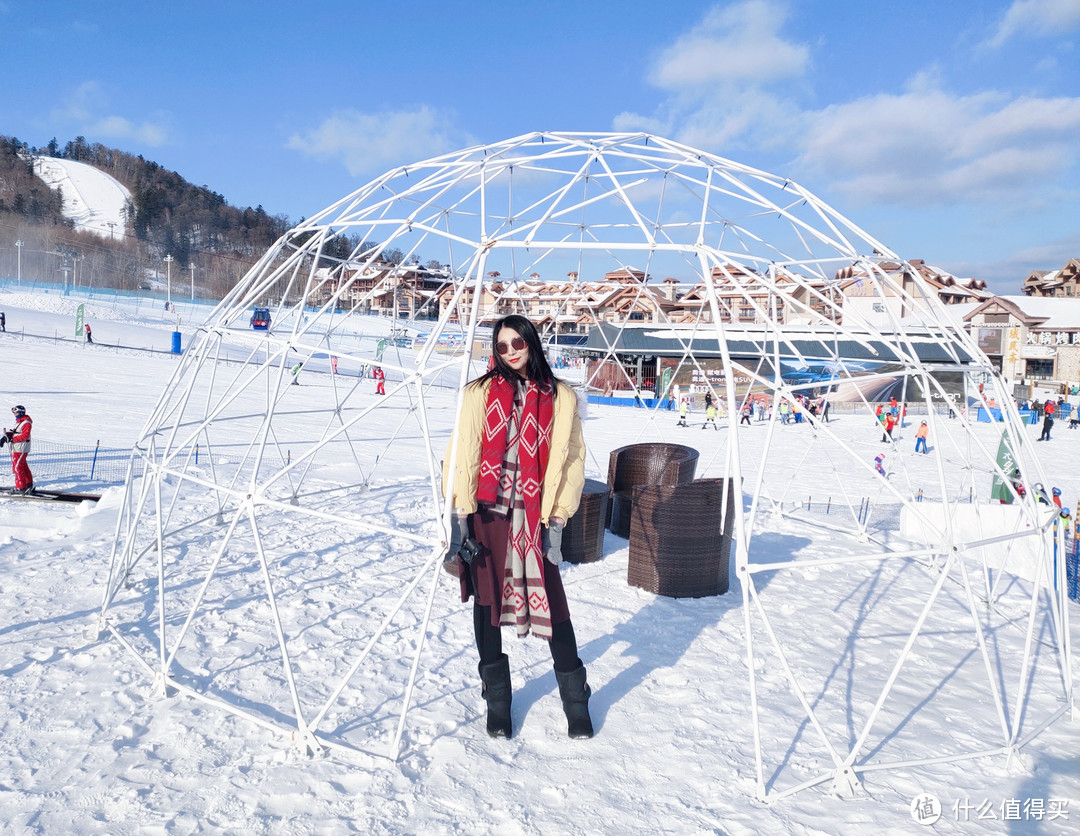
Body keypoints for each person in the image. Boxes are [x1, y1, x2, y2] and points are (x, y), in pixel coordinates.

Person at [442, 314, 592, 740]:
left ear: (531, 343)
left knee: (554, 605)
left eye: (516, 344)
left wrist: (560, 516)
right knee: (487, 604)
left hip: (535, 513)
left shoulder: (560, 395)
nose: (509, 352)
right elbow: (462, 451)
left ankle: (575, 696)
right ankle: (498, 699)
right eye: (502, 346)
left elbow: (574, 458)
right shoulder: (479, 392)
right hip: (488, 510)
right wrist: (458, 514)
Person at [1, 405, 33, 494]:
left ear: (21, 412)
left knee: (17, 467)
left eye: (16, 412)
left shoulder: (26, 423)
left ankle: (21, 487)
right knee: (23, 466)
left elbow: (25, 436)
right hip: (17, 447)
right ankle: (28, 484)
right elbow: (16, 432)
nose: (15, 414)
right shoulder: (19, 422)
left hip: (21, 448)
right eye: (14, 412)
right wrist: (7, 436)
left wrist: (12, 439)